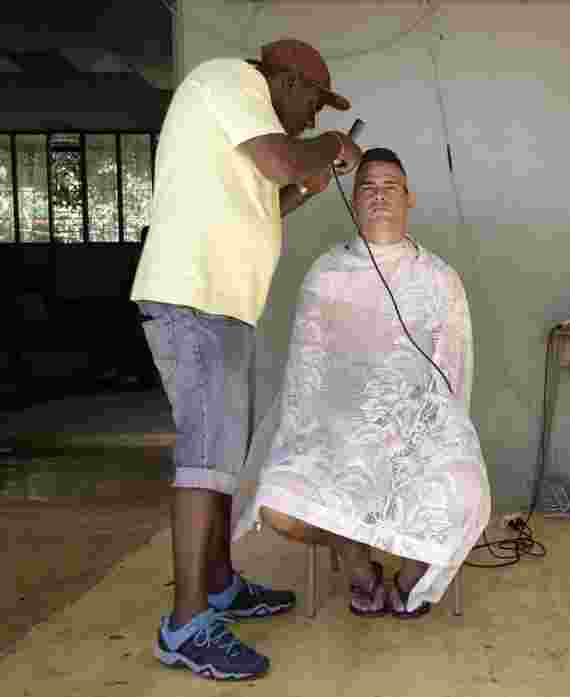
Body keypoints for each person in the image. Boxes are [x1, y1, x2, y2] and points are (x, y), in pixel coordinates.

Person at [130, 38, 363, 680]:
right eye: (314, 100)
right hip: (195, 299)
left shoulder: (246, 123)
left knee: (224, 452)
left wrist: (311, 181)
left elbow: (269, 202)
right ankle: (185, 623)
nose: (314, 115)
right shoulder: (231, 80)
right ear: (284, 80)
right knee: (207, 453)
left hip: (224, 306)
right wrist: (332, 148)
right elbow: (286, 158)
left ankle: (221, 584)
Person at [231, 147, 491, 622]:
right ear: (353, 200)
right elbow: (305, 376)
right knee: (280, 505)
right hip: (336, 426)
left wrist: (428, 432)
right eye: (367, 187)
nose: (379, 196)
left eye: (391, 186)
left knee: (465, 491)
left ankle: (410, 579)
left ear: (409, 198)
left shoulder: (439, 279)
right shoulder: (324, 276)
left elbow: (453, 374)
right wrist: (326, 430)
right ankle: (358, 568)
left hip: (417, 426)